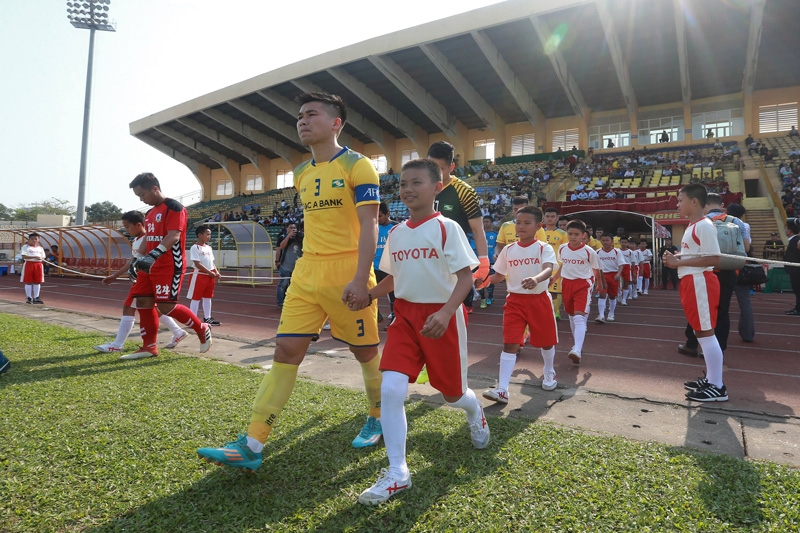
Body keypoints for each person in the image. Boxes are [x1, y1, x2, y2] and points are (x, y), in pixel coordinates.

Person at [197, 92, 383, 472]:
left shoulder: (359, 166)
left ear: (336, 122)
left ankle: (378, 415)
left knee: (364, 352)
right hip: (306, 272)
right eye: (299, 115)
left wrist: (361, 279)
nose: (302, 121)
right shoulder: (300, 173)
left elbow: (370, 225)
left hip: (347, 272)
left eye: (311, 114)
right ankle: (252, 443)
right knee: (285, 352)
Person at [354, 159, 488, 505]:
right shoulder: (397, 233)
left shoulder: (447, 228)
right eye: (402, 184)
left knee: (452, 394)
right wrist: (368, 294)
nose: (408, 190)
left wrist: (445, 312)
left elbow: (466, 278)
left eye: (417, 183)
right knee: (393, 387)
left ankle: (475, 413)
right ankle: (398, 472)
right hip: (406, 317)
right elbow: (395, 277)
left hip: (442, 316)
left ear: (437, 188)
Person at [127, 173, 212, 361]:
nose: (142, 199)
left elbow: (173, 235)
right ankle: (149, 346)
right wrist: (137, 258)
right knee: (143, 302)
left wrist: (153, 255)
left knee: (166, 306)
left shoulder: (174, 207)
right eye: (139, 197)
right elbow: (148, 239)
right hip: (149, 265)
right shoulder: (149, 214)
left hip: (169, 265)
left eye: (142, 194)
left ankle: (201, 328)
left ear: (154, 189)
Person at [482, 206, 558, 405]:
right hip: (514, 301)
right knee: (510, 343)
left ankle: (549, 371)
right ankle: (502, 389)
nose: (521, 226)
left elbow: (548, 269)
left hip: (538, 300)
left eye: (527, 223)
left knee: (546, 341)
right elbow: (498, 275)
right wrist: (483, 280)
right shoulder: (508, 249)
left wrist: (536, 278)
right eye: (518, 222)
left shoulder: (543, 247)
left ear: (538, 226)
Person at [662, 183, 728, 401]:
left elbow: (714, 259)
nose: (677, 204)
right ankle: (711, 379)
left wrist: (677, 261)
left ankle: (717, 386)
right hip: (692, 280)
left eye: (680, 200)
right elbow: (697, 254)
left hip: (700, 281)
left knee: (705, 332)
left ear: (694, 202)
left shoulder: (704, 225)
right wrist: (677, 258)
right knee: (701, 331)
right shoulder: (692, 226)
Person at [93, 210, 188, 355]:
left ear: (138, 225)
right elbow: (133, 261)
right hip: (142, 280)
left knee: (128, 308)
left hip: (145, 280)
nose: (125, 230)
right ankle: (178, 331)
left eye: (127, 226)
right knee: (153, 310)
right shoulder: (137, 240)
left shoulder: (148, 240)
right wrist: (116, 275)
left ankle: (118, 344)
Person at [677, 193, 748, 358]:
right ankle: (719, 349)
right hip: (728, 271)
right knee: (722, 311)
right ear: (721, 204)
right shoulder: (736, 221)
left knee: (698, 309)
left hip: (704, 272)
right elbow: (746, 246)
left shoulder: (700, 222)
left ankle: (692, 344)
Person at [427, 141, 491, 314]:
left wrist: (484, 261)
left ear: (452, 167)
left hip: (452, 262)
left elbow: (478, 229)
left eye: (440, 168)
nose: (434, 173)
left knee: (449, 313)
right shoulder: (423, 187)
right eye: (431, 166)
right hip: (426, 258)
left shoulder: (464, 192)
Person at [558, 220, 604, 364]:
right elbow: (562, 265)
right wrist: (554, 278)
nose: (573, 237)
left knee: (579, 317)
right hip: (566, 283)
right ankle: (577, 344)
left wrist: (600, 285)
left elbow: (596, 269)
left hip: (583, 285)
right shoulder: (562, 249)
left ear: (583, 235)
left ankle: (577, 349)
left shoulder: (589, 252)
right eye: (570, 234)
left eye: (576, 234)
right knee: (571, 316)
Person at [725, 203, 754, 342]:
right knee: (745, 303)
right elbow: (747, 247)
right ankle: (747, 334)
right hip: (740, 266)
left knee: (721, 302)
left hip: (723, 265)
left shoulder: (719, 222)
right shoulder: (744, 225)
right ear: (742, 214)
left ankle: (717, 334)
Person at [187, 225, 223, 326]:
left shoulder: (209, 248)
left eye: (210, 234)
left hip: (209, 276)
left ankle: (207, 317)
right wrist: (209, 273)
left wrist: (216, 272)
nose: (209, 236)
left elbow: (212, 262)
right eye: (207, 234)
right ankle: (193, 320)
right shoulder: (195, 247)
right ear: (200, 235)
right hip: (199, 275)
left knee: (208, 297)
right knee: (196, 298)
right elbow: (197, 264)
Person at [537, 208, 567, 320]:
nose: (549, 219)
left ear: (557, 218)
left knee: (554, 292)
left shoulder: (563, 234)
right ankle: (545, 312)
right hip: (541, 266)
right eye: (547, 216)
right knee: (541, 291)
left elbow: (566, 252)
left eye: (552, 216)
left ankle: (555, 312)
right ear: (544, 218)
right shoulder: (539, 232)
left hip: (556, 266)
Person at [375, 202, 398, 322]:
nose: (377, 219)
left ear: (388, 214)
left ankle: (395, 319)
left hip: (389, 268)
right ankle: (376, 315)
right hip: (375, 267)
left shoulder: (396, 227)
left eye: (380, 216)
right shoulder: (374, 227)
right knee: (372, 293)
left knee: (393, 296)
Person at [595, 234, 626, 323]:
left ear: (612, 241)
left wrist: (619, 274)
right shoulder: (597, 252)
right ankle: (601, 315)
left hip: (613, 275)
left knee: (612, 296)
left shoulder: (617, 252)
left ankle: (611, 314)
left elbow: (621, 264)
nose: (605, 242)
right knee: (602, 294)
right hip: (602, 275)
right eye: (603, 240)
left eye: (607, 240)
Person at [275, 222, 304, 309]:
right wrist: (277, 260)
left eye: (294, 228)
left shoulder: (300, 237)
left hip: (297, 267)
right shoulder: (283, 237)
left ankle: (292, 302)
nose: (293, 229)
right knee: (283, 285)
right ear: (287, 229)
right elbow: (281, 247)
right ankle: (280, 302)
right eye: (290, 228)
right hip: (286, 266)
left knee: (294, 286)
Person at [20, 233, 45, 304]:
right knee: (28, 281)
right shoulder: (26, 247)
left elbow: (43, 257)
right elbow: (24, 256)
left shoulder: (40, 248)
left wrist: (40, 258)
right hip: (29, 264)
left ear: (38, 240)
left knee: (37, 281)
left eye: (36, 239)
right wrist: (34, 257)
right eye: (32, 239)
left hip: (38, 265)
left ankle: (36, 297)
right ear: (29, 239)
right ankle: (29, 297)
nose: (34, 240)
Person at [478, 216, 498, 308]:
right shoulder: (479, 234)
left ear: (491, 223)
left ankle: (490, 296)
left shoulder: (495, 234)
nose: (486, 223)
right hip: (481, 261)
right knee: (480, 279)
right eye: (484, 222)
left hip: (492, 261)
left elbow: (498, 247)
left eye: (487, 222)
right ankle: (483, 297)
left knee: (490, 279)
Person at [784, 217, 800, 315]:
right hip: (794, 269)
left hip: (796, 270)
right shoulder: (794, 240)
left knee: (798, 290)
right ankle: (797, 307)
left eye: (786, 229)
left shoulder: (796, 241)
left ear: (790, 231)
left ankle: (798, 309)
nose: (785, 231)